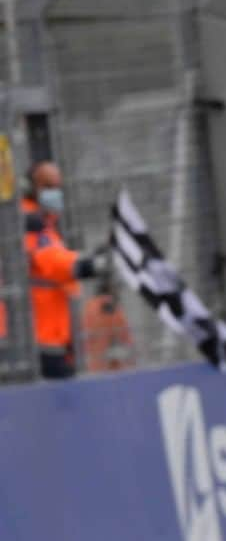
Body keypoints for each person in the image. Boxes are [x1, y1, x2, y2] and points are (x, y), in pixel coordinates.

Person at [23, 161, 105, 379]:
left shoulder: (43, 225)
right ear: (32, 188)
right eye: (47, 186)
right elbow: (52, 261)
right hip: (39, 338)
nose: (54, 193)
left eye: (57, 187)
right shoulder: (28, 224)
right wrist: (89, 265)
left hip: (50, 336)